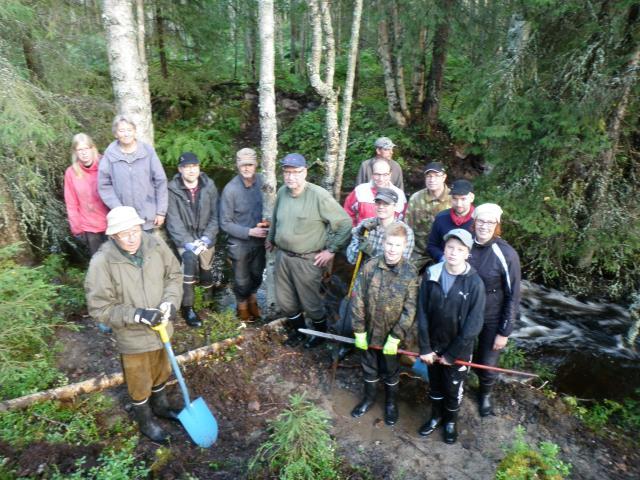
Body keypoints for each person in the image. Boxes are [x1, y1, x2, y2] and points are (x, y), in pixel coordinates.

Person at [85, 206, 182, 443]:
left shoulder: (155, 245)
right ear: (113, 236)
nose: (131, 238)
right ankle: (146, 421)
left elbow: (174, 276)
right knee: (139, 381)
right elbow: (99, 307)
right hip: (133, 337)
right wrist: (137, 315)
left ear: (141, 227)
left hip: (162, 329)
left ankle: (161, 407)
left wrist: (170, 303)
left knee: (162, 370)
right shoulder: (102, 261)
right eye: (123, 233)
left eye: (135, 230)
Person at [266, 153, 352, 348]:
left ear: (304, 172)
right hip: (283, 256)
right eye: (287, 172)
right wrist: (271, 238)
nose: (290, 177)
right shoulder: (282, 192)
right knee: (285, 301)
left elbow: (345, 223)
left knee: (311, 303)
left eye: (295, 172)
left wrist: (331, 250)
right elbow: (276, 217)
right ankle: (299, 332)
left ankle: (318, 334)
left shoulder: (318, 195)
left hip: (307, 259)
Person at [417, 228, 485, 444]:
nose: (453, 252)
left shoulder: (475, 284)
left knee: (453, 388)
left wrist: (452, 354)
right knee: (435, 385)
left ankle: (451, 422)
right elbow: (422, 312)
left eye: (459, 249)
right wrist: (425, 347)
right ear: (444, 249)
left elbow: (474, 325)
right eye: (450, 248)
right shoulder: (431, 274)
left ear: (467, 253)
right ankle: (436, 416)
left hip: (459, 351)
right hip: (433, 347)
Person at [350, 223, 419, 426]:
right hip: (369, 331)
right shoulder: (370, 266)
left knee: (391, 370)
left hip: (392, 337)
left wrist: (396, 336)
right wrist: (359, 331)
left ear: (404, 247)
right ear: (383, 243)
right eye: (389, 244)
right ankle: (369, 398)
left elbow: (410, 309)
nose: (392, 249)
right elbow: (358, 299)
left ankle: (390, 403)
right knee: (369, 366)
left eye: (397, 246)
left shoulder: (410, 272)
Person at [468, 203, 521, 417]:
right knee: (461, 354)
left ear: (497, 225)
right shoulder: (464, 244)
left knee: (488, 362)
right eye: (481, 221)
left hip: (492, 315)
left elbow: (513, 294)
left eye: (490, 222)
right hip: (467, 312)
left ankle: (485, 395)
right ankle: (458, 388)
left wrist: (504, 331)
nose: (484, 226)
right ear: (474, 222)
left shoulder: (506, 254)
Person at [166, 152, 219, 328]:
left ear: (199, 168)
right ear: (180, 169)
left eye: (194, 166)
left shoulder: (209, 186)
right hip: (185, 239)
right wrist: (188, 242)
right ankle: (187, 307)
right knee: (189, 261)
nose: (191, 170)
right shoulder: (172, 189)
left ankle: (208, 300)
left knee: (206, 268)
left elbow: (216, 216)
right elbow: (173, 221)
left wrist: (207, 238)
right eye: (187, 167)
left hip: (205, 236)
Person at [220, 148, 267, 322]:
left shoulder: (264, 182)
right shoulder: (230, 189)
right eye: (243, 165)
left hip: (260, 242)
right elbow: (224, 223)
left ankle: (253, 300)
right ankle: (242, 309)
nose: (246, 168)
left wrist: (267, 223)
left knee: (257, 274)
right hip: (238, 243)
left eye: (250, 165)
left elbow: (271, 207)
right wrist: (249, 231)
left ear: (256, 165)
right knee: (241, 281)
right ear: (237, 166)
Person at [98, 115, 168, 232]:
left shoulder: (148, 151)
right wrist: (118, 208)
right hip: (123, 219)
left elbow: (160, 181)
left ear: (135, 131)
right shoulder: (109, 154)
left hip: (147, 215)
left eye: (129, 130)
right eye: (121, 131)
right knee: (128, 249)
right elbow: (104, 185)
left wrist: (161, 211)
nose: (126, 134)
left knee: (148, 248)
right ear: (116, 134)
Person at [63, 133, 109, 255]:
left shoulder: (106, 164)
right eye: (80, 150)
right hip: (90, 227)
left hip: (111, 223)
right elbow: (71, 203)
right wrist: (77, 229)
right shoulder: (71, 172)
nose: (84, 153)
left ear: (92, 148)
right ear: (75, 152)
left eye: (86, 149)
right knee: (98, 263)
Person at [346, 188, 414, 265]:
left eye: (386, 204)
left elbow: (400, 266)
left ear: (395, 206)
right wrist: (359, 246)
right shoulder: (365, 225)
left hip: (388, 276)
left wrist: (371, 253)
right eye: (378, 203)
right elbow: (351, 259)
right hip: (363, 274)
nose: (381, 207)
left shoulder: (405, 232)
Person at [405, 162, 451, 271]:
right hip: (418, 252)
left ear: (444, 177)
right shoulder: (416, 198)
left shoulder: (453, 199)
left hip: (443, 252)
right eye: (429, 176)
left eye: (436, 176)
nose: (432, 179)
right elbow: (407, 228)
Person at [343, 159, 407, 226]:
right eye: (377, 174)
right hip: (363, 234)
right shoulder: (360, 191)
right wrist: (355, 230)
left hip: (389, 235)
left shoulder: (399, 195)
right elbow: (347, 213)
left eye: (385, 174)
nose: (381, 179)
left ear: (390, 174)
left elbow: (402, 221)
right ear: (372, 174)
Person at [427, 179, 475, 263]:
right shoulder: (441, 218)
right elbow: (432, 245)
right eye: (455, 199)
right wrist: (442, 258)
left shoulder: (479, 220)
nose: (459, 204)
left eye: (463, 199)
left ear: (471, 197)